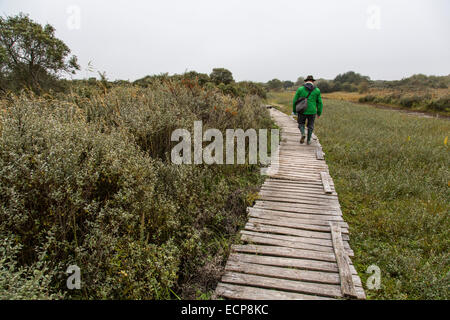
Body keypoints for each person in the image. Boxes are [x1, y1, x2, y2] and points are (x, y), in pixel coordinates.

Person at [292, 75, 323, 145]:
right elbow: (320, 103)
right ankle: (308, 140)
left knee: (301, 124)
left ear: (306, 81)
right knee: (310, 126)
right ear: (312, 81)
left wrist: (294, 110)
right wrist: (319, 112)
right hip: (312, 111)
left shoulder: (300, 89)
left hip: (302, 110)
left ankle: (303, 133)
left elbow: (295, 100)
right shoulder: (317, 90)